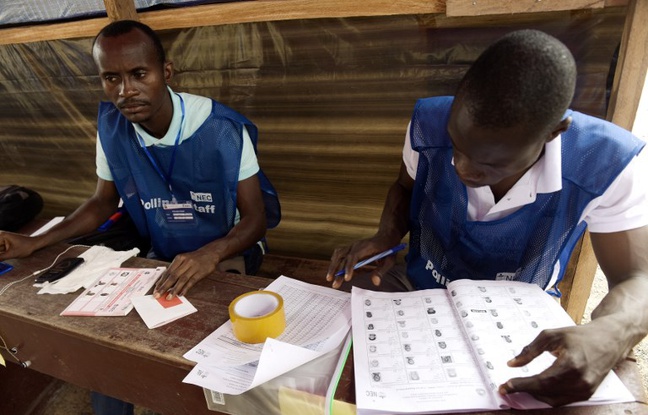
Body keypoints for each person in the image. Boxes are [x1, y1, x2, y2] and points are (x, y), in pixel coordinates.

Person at [326, 29, 648, 407]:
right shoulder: (430, 122)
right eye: (457, 146)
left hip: (518, 319)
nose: (461, 168)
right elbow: (404, 187)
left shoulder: (607, 163)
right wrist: (387, 233)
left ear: (553, 133)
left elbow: (637, 278)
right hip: (418, 288)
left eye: (490, 163)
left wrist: (613, 332)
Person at [0, 19, 280, 415]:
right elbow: (101, 203)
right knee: (112, 353)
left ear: (166, 73)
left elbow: (255, 220)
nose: (125, 91)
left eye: (138, 74)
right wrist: (34, 242)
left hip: (225, 251)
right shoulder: (113, 128)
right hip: (161, 252)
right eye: (110, 78)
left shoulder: (221, 129)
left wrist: (211, 254)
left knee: (212, 352)